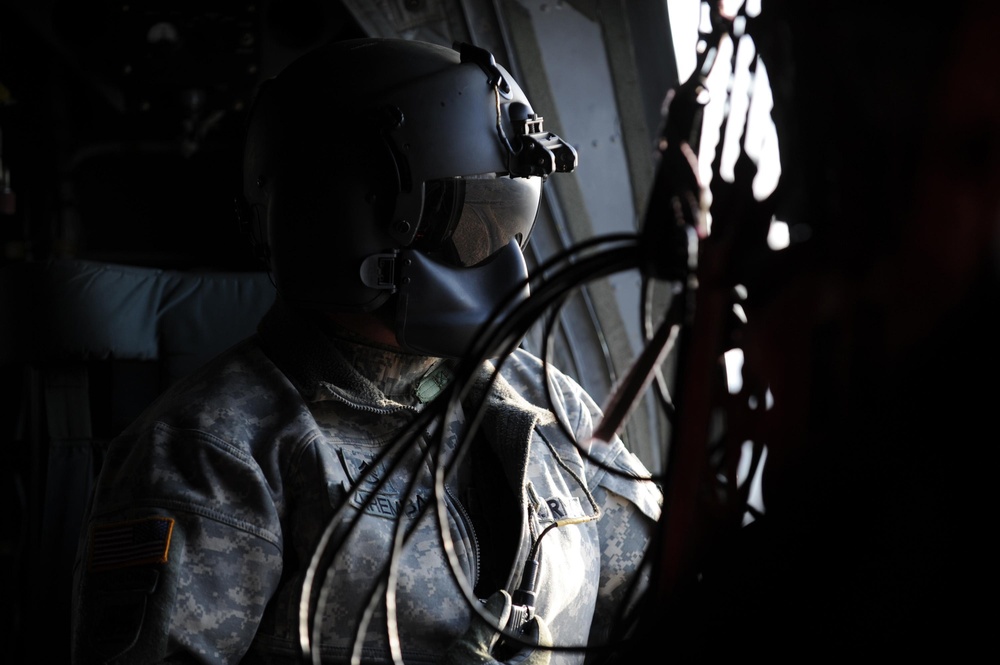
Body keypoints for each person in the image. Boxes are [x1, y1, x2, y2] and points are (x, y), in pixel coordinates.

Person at [70, 37, 662, 664]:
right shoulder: (211, 452)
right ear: (341, 219)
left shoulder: (546, 399)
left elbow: (658, 598)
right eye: (469, 225)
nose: (504, 257)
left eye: (509, 219)